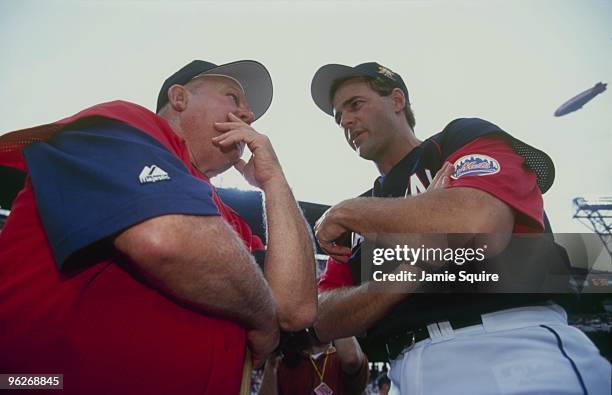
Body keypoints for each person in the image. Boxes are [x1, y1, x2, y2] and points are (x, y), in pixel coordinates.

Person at [0, 59, 317, 394]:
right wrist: (263, 317)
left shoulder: (229, 221)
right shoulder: (123, 122)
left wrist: (274, 181)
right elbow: (165, 238)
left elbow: (296, 310)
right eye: (233, 97)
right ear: (179, 98)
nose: (248, 115)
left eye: (250, 110)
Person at [308, 62, 611, 394]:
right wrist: (416, 266)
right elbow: (322, 317)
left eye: (355, 104)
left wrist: (353, 212)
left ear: (397, 101)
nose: (346, 121)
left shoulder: (458, 140)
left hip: (506, 346)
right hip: (403, 371)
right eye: (338, 117)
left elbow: (480, 224)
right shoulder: (358, 214)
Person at [258, 330, 369, 395]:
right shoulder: (284, 364)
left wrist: (335, 314)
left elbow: (351, 358)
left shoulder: (340, 360)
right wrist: (271, 362)